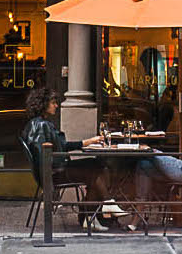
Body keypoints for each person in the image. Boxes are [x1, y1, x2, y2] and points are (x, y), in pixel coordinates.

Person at [21, 86, 130, 231]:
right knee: (97, 170)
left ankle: (92, 214)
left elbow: (62, 146)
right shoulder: (41, 126)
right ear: (43, 104)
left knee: (97, 165)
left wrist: (88, 142)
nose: (56, 105)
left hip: (55, 170)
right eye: (53, 102)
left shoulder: (38, 123)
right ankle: (97, 210)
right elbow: (45, 155)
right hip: (54, 174)